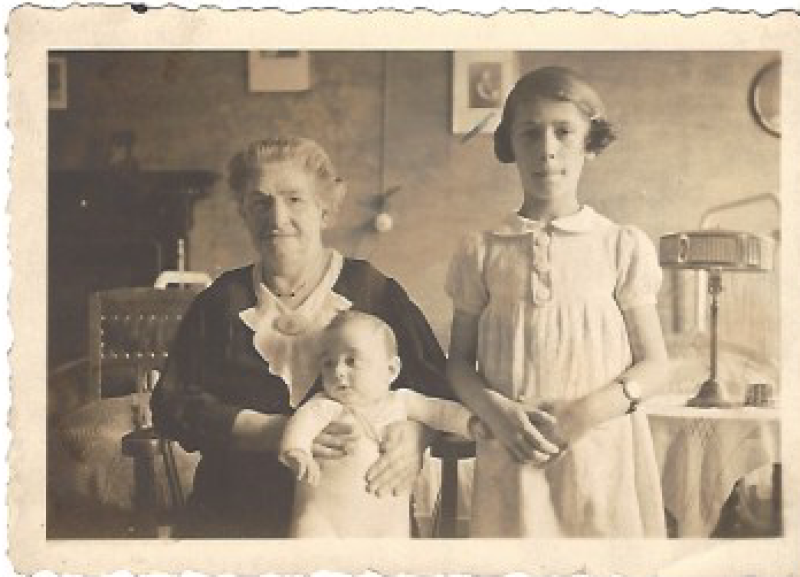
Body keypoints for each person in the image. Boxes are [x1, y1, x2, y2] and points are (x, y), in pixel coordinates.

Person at [151, 136, 453, 537]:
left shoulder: (374, 291)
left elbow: (439, 388)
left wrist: (415, 437)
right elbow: (172, 404)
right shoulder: (221, 302)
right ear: (243, 212)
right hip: (235, 515)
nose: (277, 218)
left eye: (294, 199)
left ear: (325, 208)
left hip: (357, 517)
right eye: (260, 203)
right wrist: (276, 432)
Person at [445, 66, 670, 537]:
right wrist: (495, 412)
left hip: (599, 454)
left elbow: (655, 366)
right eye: (530, 133)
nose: (547, 149)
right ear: (511, 145)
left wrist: (584, 414)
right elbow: (459, 364)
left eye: (564, 132)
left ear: (590, 142)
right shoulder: (482, 250)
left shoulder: (619, 245)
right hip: (513, 450)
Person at [279, 310, 477, 537]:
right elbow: (300, 426)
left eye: (351, 361)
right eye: (328, 363)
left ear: (391, 370)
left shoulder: (401, 402)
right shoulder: (324, 406)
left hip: (386, 521)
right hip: (324, 519)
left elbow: (441, 412)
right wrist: (297, 451)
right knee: (310, 541)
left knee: (392, 551)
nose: (338, 371)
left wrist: (472, 424)